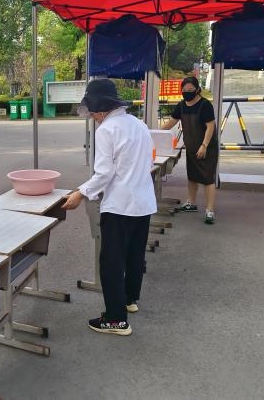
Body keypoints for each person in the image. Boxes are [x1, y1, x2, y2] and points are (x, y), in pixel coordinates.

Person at [61, 79, 157, 336]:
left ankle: (115, 319)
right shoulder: (139, 125)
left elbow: (104, 173)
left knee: (111, 262)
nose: (92, 116)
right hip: (144, 202)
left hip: (120, 206)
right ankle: (129, 300)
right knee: (135, 255)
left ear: (101, 108)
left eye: (92, 111)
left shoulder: (107, 130)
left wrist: (80, 193)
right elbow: (149, 161)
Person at [161, 76, 218, 224]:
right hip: (192, 147)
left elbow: (210, 126)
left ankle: (210, 210)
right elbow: (171, 122)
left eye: (190, 90)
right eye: (184, 90)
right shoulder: (181, 105)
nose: (187, 93)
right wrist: (153, 133)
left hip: (206, 148)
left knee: (207, 178)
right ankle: (191, 203)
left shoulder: (205, 105)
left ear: (198, 90)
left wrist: (204, 145)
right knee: (192, 176)